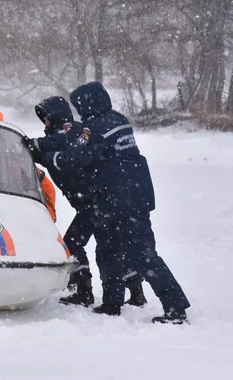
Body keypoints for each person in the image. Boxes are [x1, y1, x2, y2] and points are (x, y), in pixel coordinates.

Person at [38, 82, 190, 324]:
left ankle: (175, 307)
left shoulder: (95, 127)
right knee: (109, 250)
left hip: (119, 200)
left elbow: (76, 157)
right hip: (121, 199)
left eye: (79, 106)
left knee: (141, 255)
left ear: (88, 104)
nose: (79, 112)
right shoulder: (117, 120)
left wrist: (46, 156)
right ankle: (112, 303)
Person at [26, 96, 146, 308]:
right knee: (110, 244)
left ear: (54, 115)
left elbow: (62, 141)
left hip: (96, 202)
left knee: (77, 243)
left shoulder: (73, 130)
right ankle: (133, 289)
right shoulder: (60, 136)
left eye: (45, 118)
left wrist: (33, 145)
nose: (44, 123)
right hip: (91, 203)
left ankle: (85, 290)